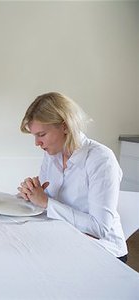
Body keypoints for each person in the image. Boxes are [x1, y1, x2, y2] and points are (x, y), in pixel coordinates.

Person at [17, 92, 127, 261]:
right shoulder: (52, 154)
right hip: (66, 239)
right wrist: (31, 193)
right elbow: (45, 201)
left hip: (105, 252)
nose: (36, 143)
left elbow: (99, 228)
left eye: (41, 135)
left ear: (65, 126)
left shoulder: (101, 159)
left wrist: (45, 202)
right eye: (35, 136)